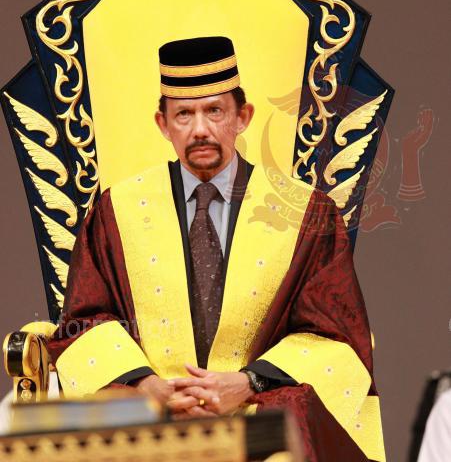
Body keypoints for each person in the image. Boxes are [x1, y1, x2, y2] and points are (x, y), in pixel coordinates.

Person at [47, 36, 385, 462]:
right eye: (183, 114)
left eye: (215, 111)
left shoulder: (304, 213)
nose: (200, 130)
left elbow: (336, 335)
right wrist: (146, 387)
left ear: (243, 117)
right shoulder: (118, 211)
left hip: (260, 419)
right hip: (149, 422)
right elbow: (85, 321)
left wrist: (247, 383)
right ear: (162, 124)